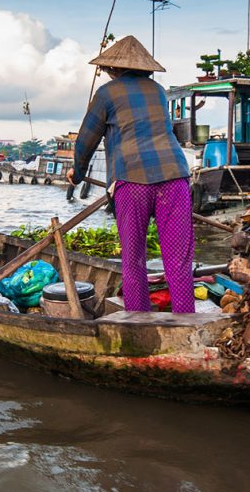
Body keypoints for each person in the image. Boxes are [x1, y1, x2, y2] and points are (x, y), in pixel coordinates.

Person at [67, 36, 194, 314]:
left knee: (133, 258)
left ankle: (138, 319)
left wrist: (76, 174)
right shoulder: (158, 91)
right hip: (175, 177)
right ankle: (186, 319)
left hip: (132, 181)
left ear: (113, 69)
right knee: (178, 259)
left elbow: (86, 139)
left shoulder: (106, 93)